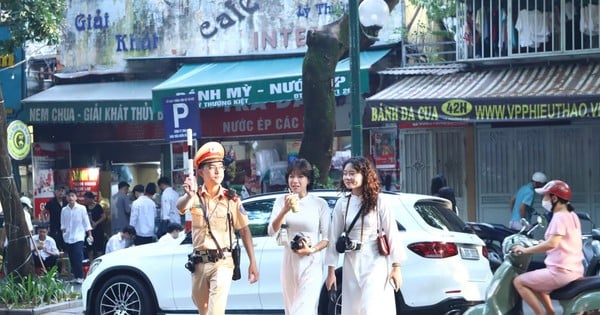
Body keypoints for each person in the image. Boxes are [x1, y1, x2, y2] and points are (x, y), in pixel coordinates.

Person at [177, 141, 259, 315]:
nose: (217, 171)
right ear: (201, 172)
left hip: (223, 261)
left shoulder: (232, 199)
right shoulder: (195, 196)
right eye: (212, 167)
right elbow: (180, 206)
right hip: (198, 263)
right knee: (204, 309)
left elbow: (244, 230)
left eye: (220, 167)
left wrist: (252, 261)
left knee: (215, 312)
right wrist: (189, 195)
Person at [325, 156, 405, 315]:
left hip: (375, 261)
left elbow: (392, 234)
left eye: (352, 173)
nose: (348, 177)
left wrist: (396, 267)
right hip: (351, 262)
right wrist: (331, 272)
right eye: (345, 173)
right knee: (354, 309)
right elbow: (333, 237)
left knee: (371, 309)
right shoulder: (343, 203)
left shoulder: (379, 201)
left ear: (365, 175)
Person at [267, 158, 330, 314]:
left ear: (308, 180)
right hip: (289, 260)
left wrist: (312, 250)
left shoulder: (319, 204)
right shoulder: (281, 201)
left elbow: (327, 238)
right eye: (291, 176)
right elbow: (271, 231)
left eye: (300, 176)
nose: (295, 181)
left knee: (303, 308)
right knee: (291, 308)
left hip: (311, 261)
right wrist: (284, 210)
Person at [512, 180, 583, 315]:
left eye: (545, 196)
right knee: (539, 285)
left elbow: (552, 243)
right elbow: (559, 240)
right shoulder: (571, 213)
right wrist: (541, 243)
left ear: (554, 198)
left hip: (561, 271)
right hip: (573, 269)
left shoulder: (559, 216)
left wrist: (525, 250)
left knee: (519, 281)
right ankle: (550, 312)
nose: (543, 200)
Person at [61, 189, 93, 284]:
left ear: (76, 197)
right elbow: (62, 223)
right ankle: (76, 276)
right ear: (66, 198)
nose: (70, 198)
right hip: (68, 237)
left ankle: (81, 276)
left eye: (72, 196)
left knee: (78, 256)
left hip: (78, 236)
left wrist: (89, 234)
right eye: (69, 196)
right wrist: (64, 233)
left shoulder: (82, 208)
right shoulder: (64, 210)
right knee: (71, 257)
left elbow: (86, 222)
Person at [83, 191, 106, 259]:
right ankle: (91, 262)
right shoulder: (84, 207)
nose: (85, 200)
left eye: (86, 199)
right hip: (89, 230)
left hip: (98, 230)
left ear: (91, 198)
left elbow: (103, 216)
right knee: (89, 248)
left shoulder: (98, 206)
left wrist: (96, 223)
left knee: (99, 247)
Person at [43, 185, 66, 251]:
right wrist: (45, 223)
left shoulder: (66, 202)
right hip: (54, 228)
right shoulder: (51, 202)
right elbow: (42, 213)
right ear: (55, 192)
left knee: (65, 246)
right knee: (55, 246)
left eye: (62, 191)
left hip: (65, 228)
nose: (60, 193)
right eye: (58, 191)